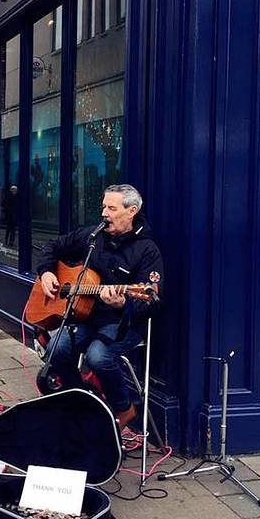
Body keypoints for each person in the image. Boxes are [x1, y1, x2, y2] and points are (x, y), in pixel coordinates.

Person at [36, 184, 163, 430]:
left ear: (131, 211)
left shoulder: (147, 250)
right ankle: (85, 399)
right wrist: (46, 272)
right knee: (55, 349)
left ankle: (124, 408)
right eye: (103, 207)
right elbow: (52, 246)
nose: (104, 213)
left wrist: (124, 302)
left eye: (111, 208)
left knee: (97, 356)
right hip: (85, 318)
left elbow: (152, 302)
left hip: (122, 323)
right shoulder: (92, 237)